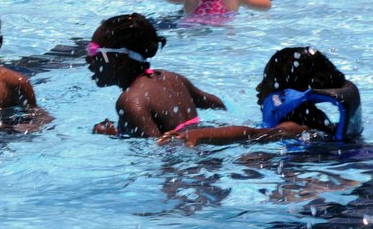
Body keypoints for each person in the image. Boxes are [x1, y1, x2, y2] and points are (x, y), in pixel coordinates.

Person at [159, 47, 363, 146]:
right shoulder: (313, 120)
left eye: (266, 82)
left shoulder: (296, 126)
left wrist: (201, 134)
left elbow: (253, 134)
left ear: (287, 94)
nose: (258, 88)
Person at [87, 13, 226, 137]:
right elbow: (219, 105)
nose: (88, 58)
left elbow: (155, 151)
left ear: (120, 59)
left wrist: (113, 135)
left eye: (93, 51)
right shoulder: (171, 78)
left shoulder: (130, 101)